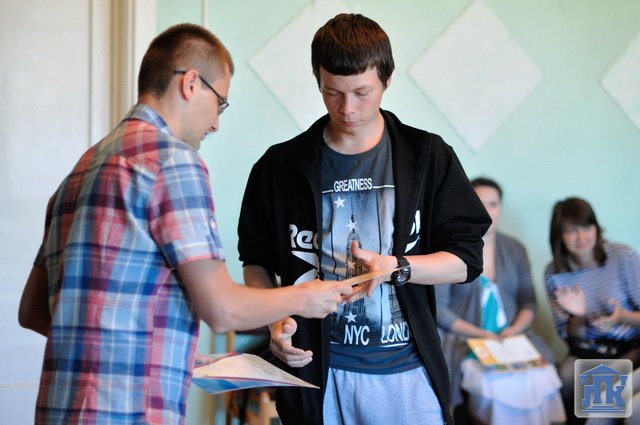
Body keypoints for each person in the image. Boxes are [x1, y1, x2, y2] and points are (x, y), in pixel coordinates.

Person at [17, 23, 353, 425]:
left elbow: (33, 310)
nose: (215, 124)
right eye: (220, 104)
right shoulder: (173, 162)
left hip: (59, 408)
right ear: (191, 83)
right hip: (129, 412)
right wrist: (303, 297)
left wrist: (162, 352)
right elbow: (222, 309)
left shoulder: (83, 169)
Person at [237, 13, 491, 425]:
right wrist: (275, 318)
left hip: (408, 375)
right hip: (316, 375)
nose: (347, 109)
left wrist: (396, 267)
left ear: (386, 80)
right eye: (332, 92)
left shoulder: (427, 157)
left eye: (361, 92)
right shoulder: (279, 167)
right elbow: (256, 261)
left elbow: (466, 260)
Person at [435, 177, 565, 424]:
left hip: (512, 338)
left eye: (493, 204)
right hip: (467, 340)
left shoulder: (515, 249)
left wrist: (513, 331)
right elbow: (440, 310)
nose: (486, 211)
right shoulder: (448, 250)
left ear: (500, 208)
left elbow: (528, 300)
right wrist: (482, 334)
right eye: (479, 203)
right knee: (497, 384)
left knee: (541, 376)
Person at [544, 197, 640, 424]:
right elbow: (569, 336)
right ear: (559, 236)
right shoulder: (554, 273)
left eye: (586, 227)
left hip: (628, 347)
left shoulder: (623, 257)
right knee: (563, 379)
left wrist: (621, 317)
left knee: (600, 389)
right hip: (586, 349)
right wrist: (578, 315)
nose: (581, 237)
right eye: (571, 231)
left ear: (596, 228)